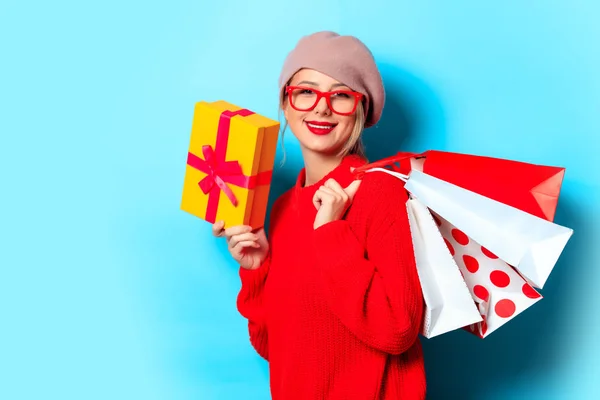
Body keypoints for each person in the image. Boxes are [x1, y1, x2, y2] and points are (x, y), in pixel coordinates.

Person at [212, 31, 426, 400]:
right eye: (306, 91)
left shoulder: (381, 193)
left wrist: (331, 234)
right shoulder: (280, 209)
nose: (321, 108)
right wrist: (256, 268)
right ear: (286, 102)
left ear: (361, 109)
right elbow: (275, 350)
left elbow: (398, 330)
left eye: (341, 95)